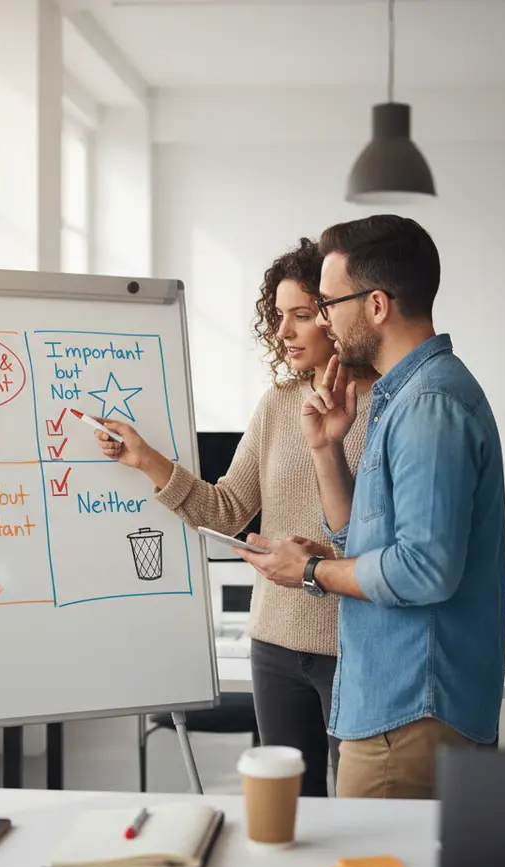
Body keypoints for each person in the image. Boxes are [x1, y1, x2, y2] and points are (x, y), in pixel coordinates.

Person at [235, 215, 505, 800]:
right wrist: (326, 448)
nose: (324, 319)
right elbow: (365, 539)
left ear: (377, 305)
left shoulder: (428, 405)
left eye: (328, 303)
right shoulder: (402, 396)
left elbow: (423, 570)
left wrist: (311, 570)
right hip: (393, 705)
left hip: (408, 711)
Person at [94, 238, 374, 797]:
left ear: (334, 315)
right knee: (289, 807)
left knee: (359, 809)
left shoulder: (389, 406)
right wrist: (145, 459)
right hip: (274, 645)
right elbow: (226, 510)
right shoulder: (278, 404)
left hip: (357, 645)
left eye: (301, 315)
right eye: (279, 316)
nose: (284, 331)